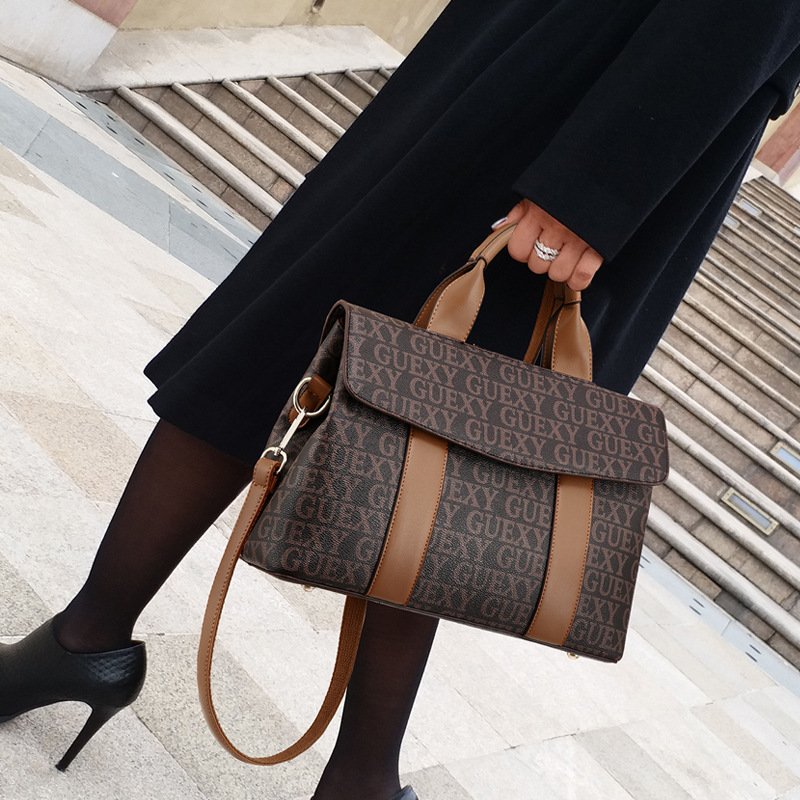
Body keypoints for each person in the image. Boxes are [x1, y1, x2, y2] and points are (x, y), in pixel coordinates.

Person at [3, 1, 800, 798]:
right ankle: (112, 646)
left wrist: (598, 183)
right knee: (327, 364)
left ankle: (111, 651)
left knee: (457, 444)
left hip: (596, 96)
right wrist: (594, 179)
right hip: (554, 77)